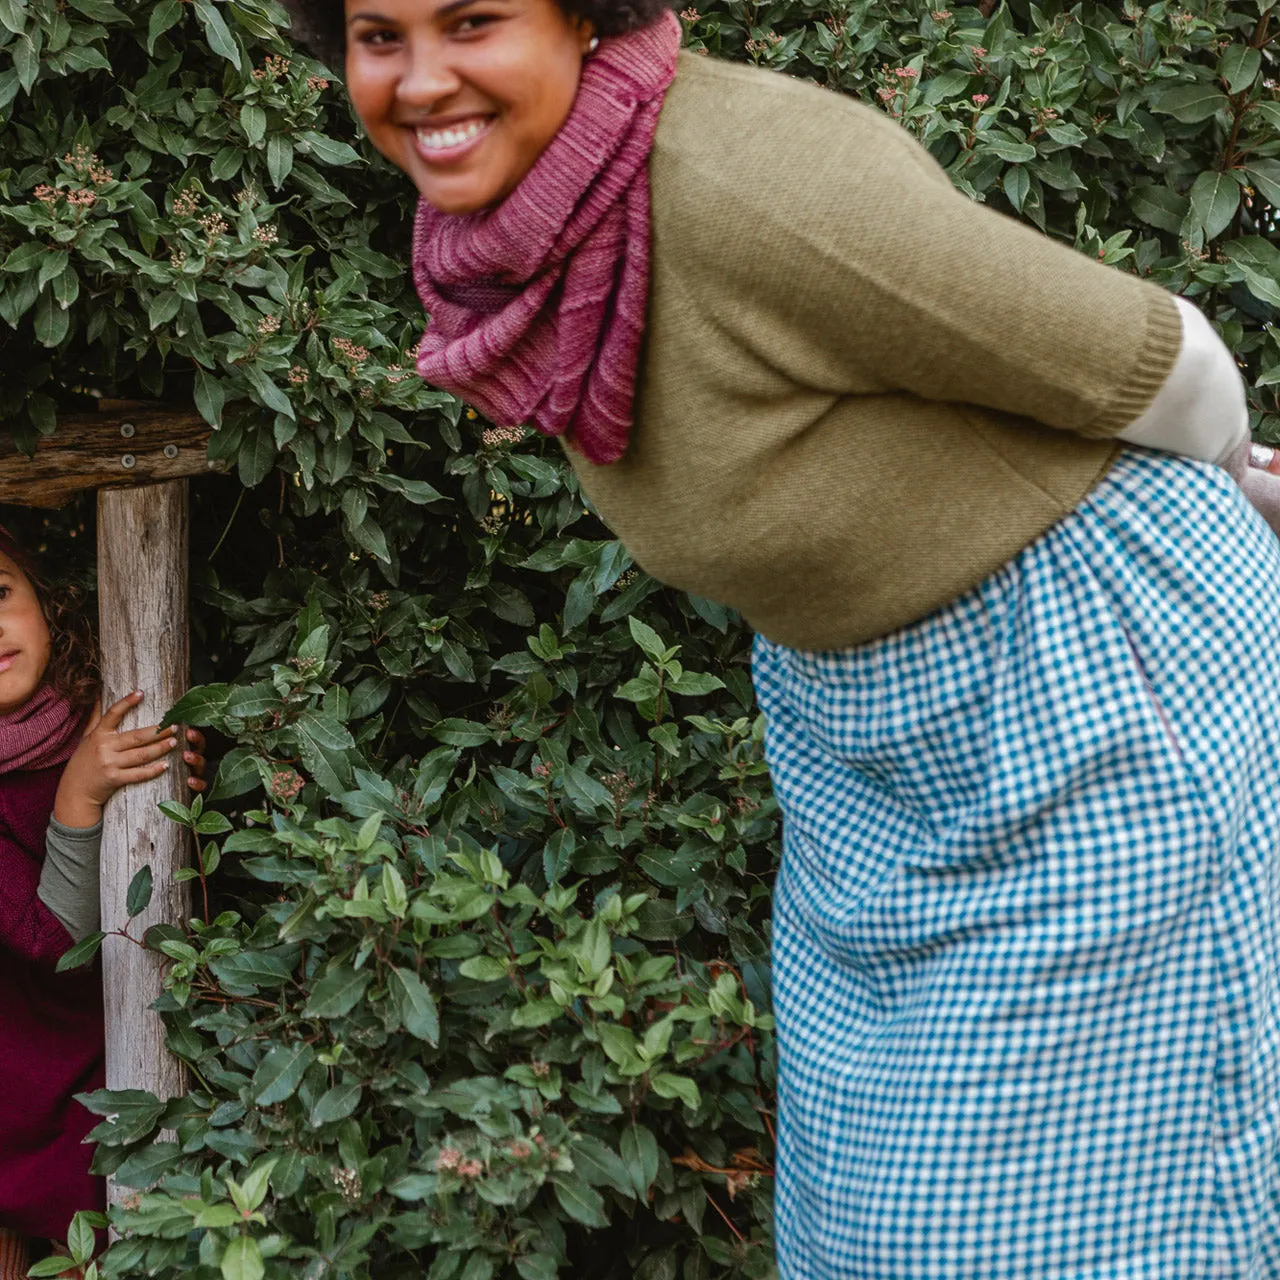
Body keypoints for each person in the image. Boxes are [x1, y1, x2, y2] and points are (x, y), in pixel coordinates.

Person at [285, 0, 1280, 1273]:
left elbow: (1151, 355)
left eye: (470, 20)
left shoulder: (744, 175)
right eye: (380, 35)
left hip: (1088, 674)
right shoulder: (534, 222)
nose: (421, 80)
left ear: (583, 18)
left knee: (1054, 1214)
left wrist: (1229, 485)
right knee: (871, 1207)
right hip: (866, 717)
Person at [0, 530, 205, 1274]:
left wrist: (171, 781)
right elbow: (52, 940)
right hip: (28, 1079)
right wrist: (83, 793)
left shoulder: (93, 701)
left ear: (45, 601)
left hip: (131, 1029)